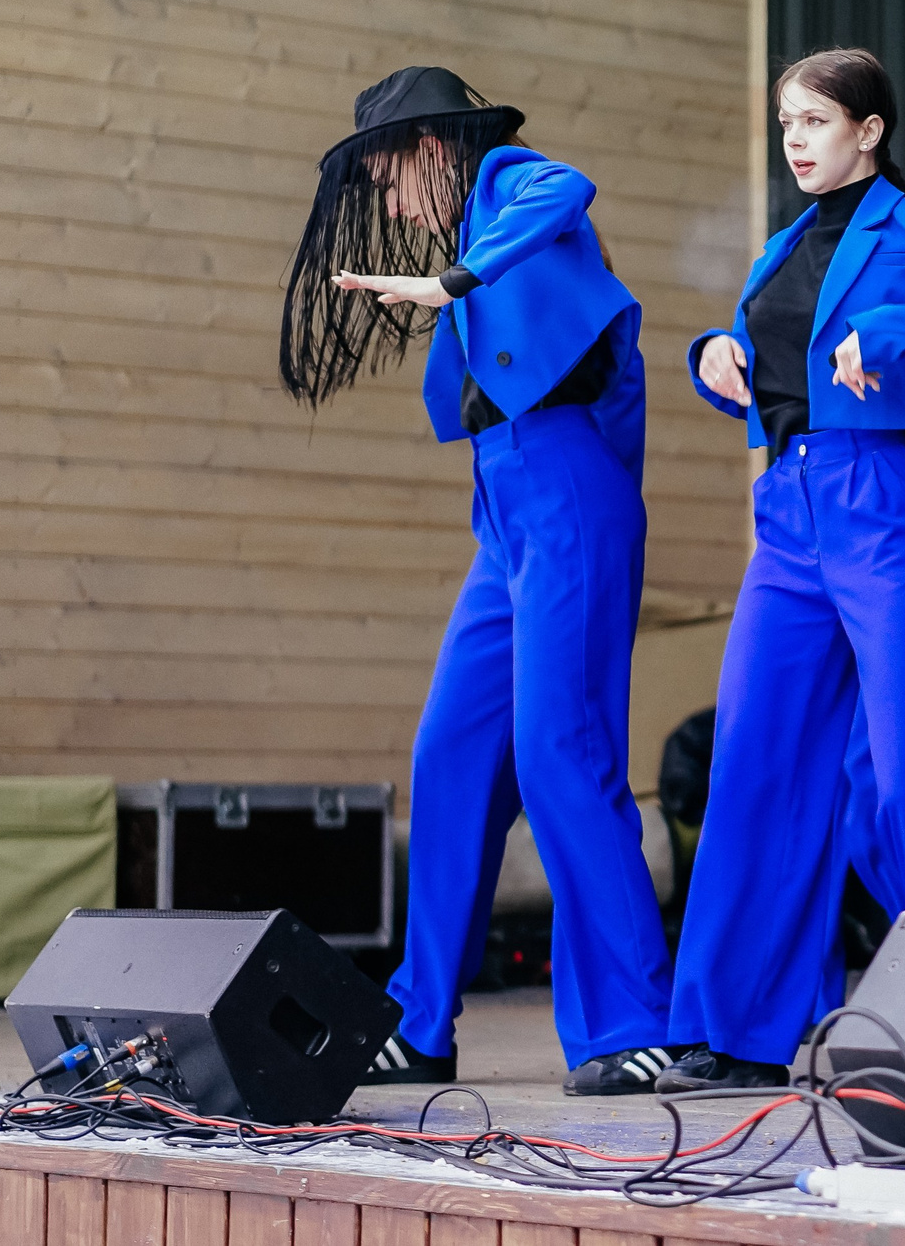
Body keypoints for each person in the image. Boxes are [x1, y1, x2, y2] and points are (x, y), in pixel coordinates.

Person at [278, 65, 675, 1097]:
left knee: (560, 751)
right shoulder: (470, 233)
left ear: (433, 149)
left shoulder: (507, 183)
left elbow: (568, 187)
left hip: (566, 489)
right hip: (502, 507)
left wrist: (454, 282)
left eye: (393, 178)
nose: (394, 203)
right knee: (451, 756)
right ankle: (419, 1023)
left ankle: (634, 1024)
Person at [656, 48, 905, 1094]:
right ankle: (738, 1029)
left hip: (884, 505)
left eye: (815, 120)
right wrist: (713, 358)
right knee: (752, 767)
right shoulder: (778, 248)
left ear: (870, 130)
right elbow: (766, 351)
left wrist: (891, 331)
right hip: (788, 514)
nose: (796, 140)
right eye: (785, 124)